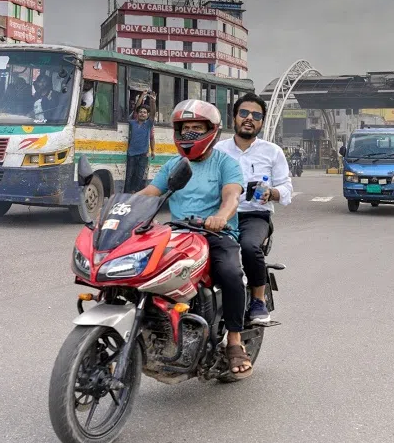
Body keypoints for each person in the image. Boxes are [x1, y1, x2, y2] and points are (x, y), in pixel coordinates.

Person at [138, 100, 253, 378]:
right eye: (185, 128)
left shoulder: (225, 163)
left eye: (196, 128)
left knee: (230, 272)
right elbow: (150, 193)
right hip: (178, 234)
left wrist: (222, 216)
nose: (189, 133)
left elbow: (231, 196)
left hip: (215, 234)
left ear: (211, 131)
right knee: (143, 271)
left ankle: (235, 341)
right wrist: (118, 211)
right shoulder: (175, 165)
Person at [214, 93, 293, 325]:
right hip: (222, 214)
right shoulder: (218, 149)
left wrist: (271, 193)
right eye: (244, 113)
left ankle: (258, 300)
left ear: (261, 122)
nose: (249, 118)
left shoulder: (272, 151)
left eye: (256, 115)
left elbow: (286, 187)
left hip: (255, 215)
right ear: (234, 117)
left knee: (249, 247)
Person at [124, 105, 155, 193]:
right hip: (131, 154)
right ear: (137, 114)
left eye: (144, 112)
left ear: (147, 115)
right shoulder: (132, 123)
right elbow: (136, 107)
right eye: (141, 112)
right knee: (129, 175)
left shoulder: (149, 124)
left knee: (139, 176)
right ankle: (126, 193)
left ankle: (136, 194)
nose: (142, 114)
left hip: (143, 155)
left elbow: (153, 114)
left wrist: (153, 102)